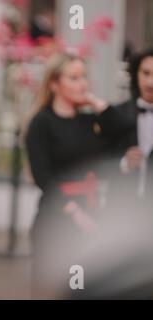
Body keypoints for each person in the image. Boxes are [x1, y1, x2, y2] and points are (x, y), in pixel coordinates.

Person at [25, 53, 126, 297]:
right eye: (74, 78)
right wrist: (76, 213)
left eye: (84, 77)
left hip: (93, 211)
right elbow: (43, 177)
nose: (83, 84)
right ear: (54, 84)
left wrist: (99, 106)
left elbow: (122, 139)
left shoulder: (89, 121)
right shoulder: (41, 123)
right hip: (57, 216)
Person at [112, 48, 153, 212]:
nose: (151, 82)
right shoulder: (117, 114)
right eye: (146, 73)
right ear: (136, 74)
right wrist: (125, 164)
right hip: (124, 207)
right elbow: (99, 161)